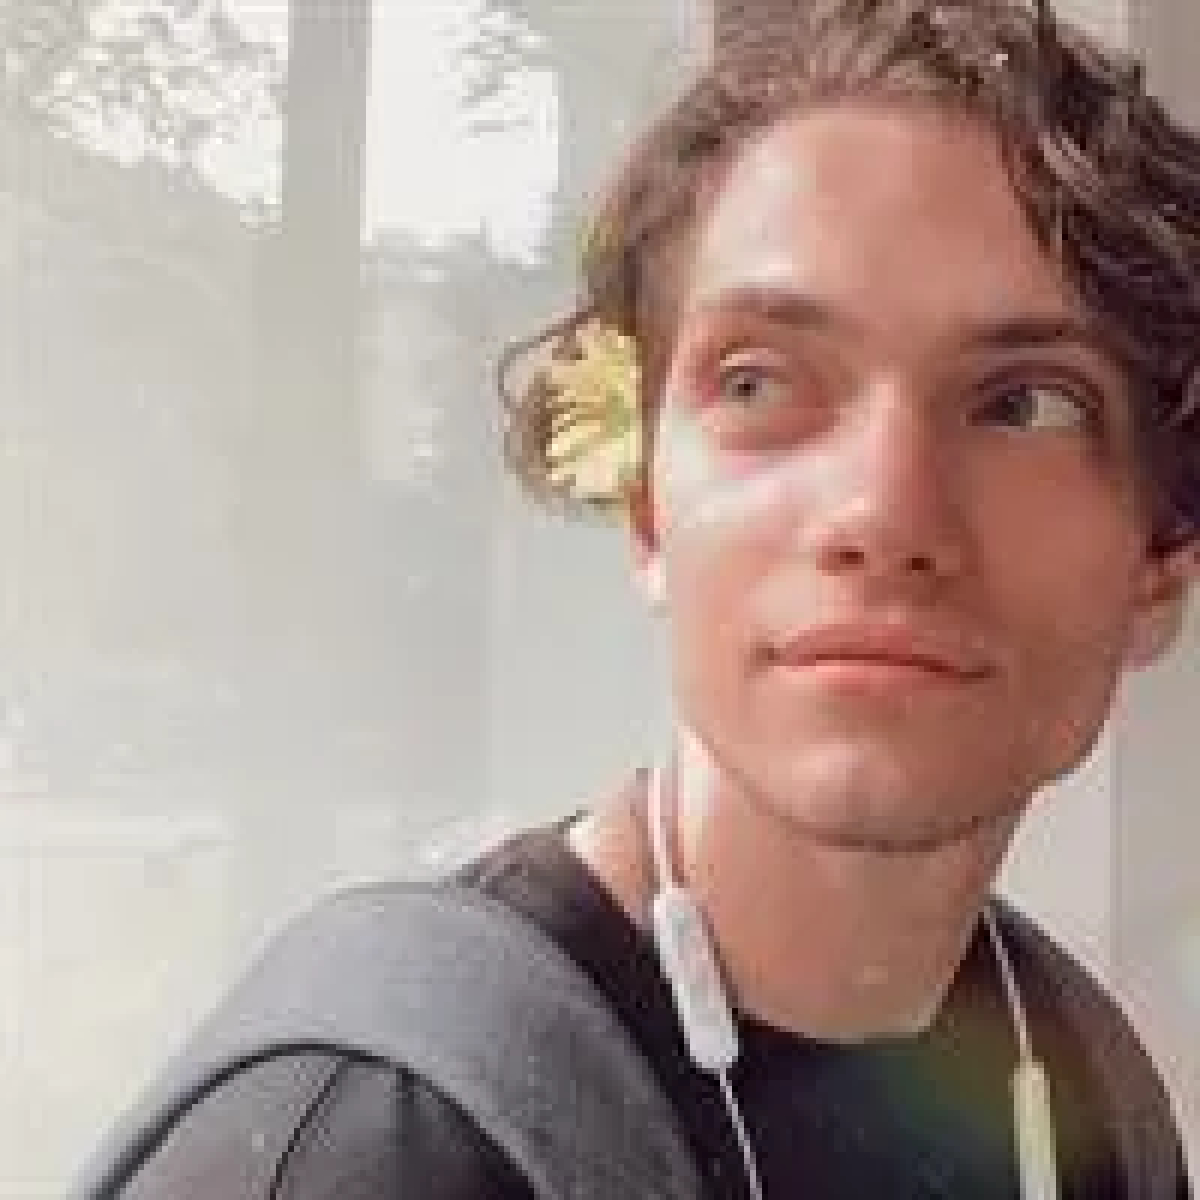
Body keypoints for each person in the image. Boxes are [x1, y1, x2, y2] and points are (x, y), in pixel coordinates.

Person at [86, 0, 1199, 1195]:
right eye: (760, 380)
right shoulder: (377, 1148)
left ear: (1165, 555)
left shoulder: (1084, 1090)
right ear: (649, 513)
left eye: (1027, 403)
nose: (883, 514)